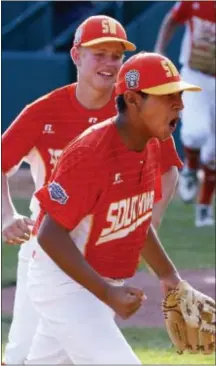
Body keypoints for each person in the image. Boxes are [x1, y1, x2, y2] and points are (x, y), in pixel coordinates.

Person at [2, 15, 182, 364]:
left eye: (116, 55)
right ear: (75, 55)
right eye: (99, 53)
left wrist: (147, 226)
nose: (109, 63)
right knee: (24, 351)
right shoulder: (45, 113)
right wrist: (6, 214)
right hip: (52, 246)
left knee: (53, 357)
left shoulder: (142, 119)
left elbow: (168, 170)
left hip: (104, 250)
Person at [154, 1, 216, 227]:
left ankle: (204, 209)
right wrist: (159, 48)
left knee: (213, 153)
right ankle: (190, 166)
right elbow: (172, 20)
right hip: (195, 74)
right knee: (195, 133)